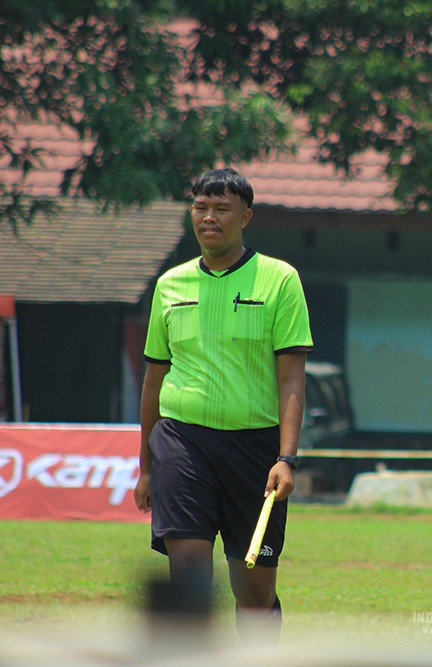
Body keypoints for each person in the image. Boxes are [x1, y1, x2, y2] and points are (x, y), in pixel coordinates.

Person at [133, 167, 313, 641]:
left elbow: (292, 378)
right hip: (181, 442)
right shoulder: (169, 285)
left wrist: (286, 458)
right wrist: (147, 467)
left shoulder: (279, 280)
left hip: (255, 450)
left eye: (221, 209)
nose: (208, 218)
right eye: (200, 207)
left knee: (252, 591)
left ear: (245, 217)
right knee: (189, 575)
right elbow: (154, 382)